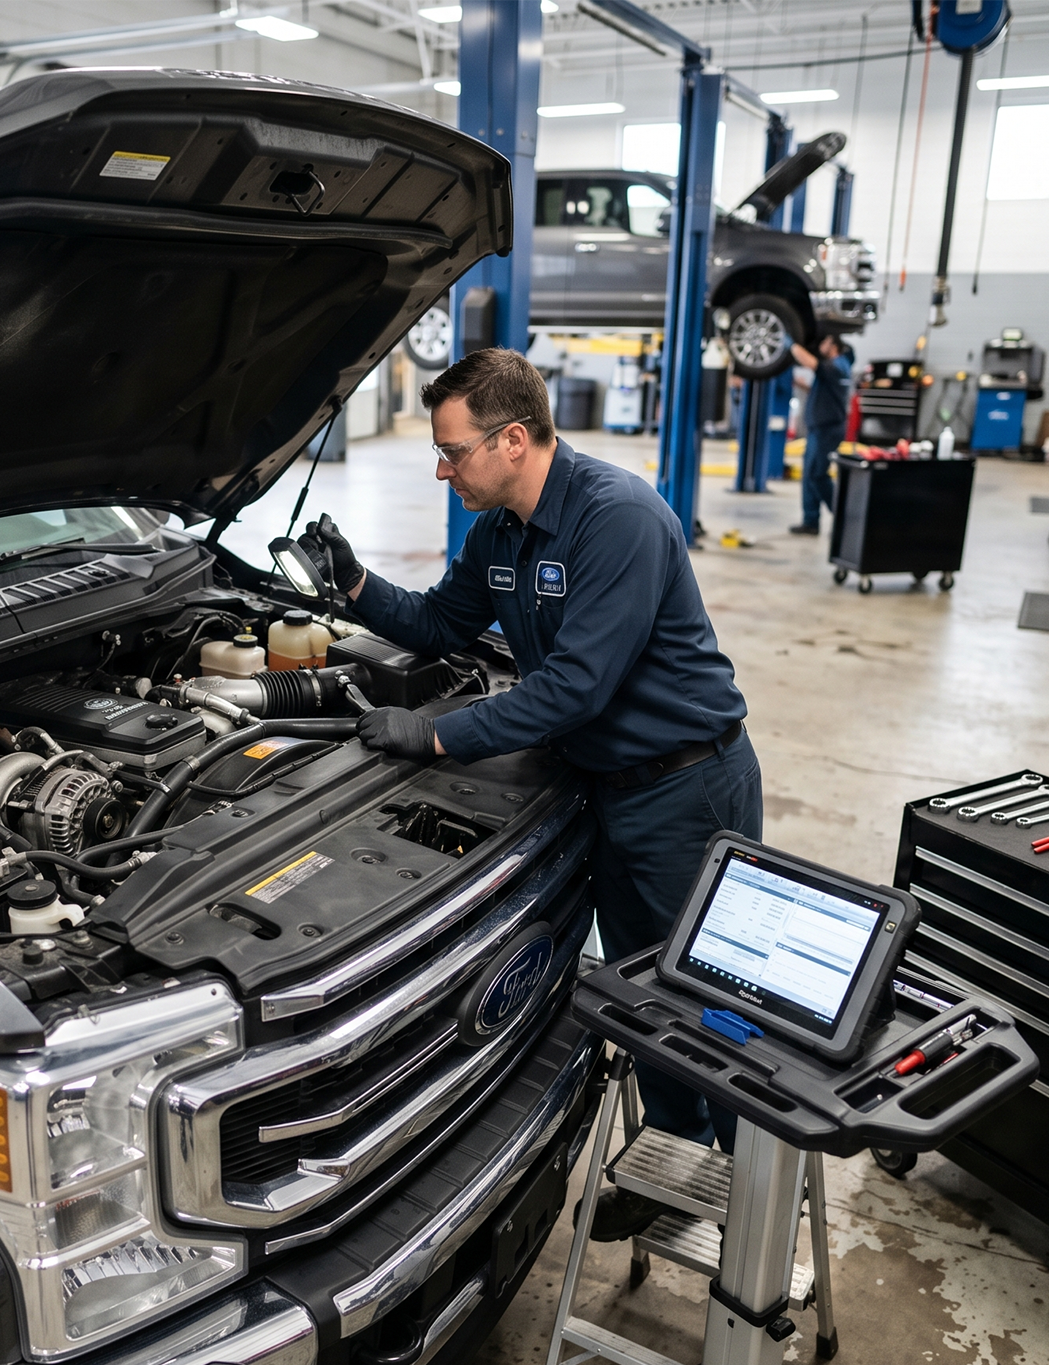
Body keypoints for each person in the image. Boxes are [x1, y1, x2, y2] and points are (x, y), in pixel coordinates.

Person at [297, 347, 761, 1243]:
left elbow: (573, 688)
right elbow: (441, 622)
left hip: (686, 790)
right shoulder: (501, 532)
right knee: (642, 995)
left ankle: (751, 1205)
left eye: (454, 450)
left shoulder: (614, 520)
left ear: (513, 439)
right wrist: (353, 584)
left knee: (708, 1009)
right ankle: (676, 1163)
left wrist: (432, 733)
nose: (442, 467)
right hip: (605, 786)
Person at [788, 335, 853, 536]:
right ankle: (811, 521)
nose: (820, 346)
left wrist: (789, 341)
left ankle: (846, 517)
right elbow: (823, 388)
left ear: (834, 346)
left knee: (817, 475)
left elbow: (809, 361)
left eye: (824, 342)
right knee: (810, 475)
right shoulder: (835, 369)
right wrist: (799, 384)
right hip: (819, 430)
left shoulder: (837, 366)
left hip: (827, 431)